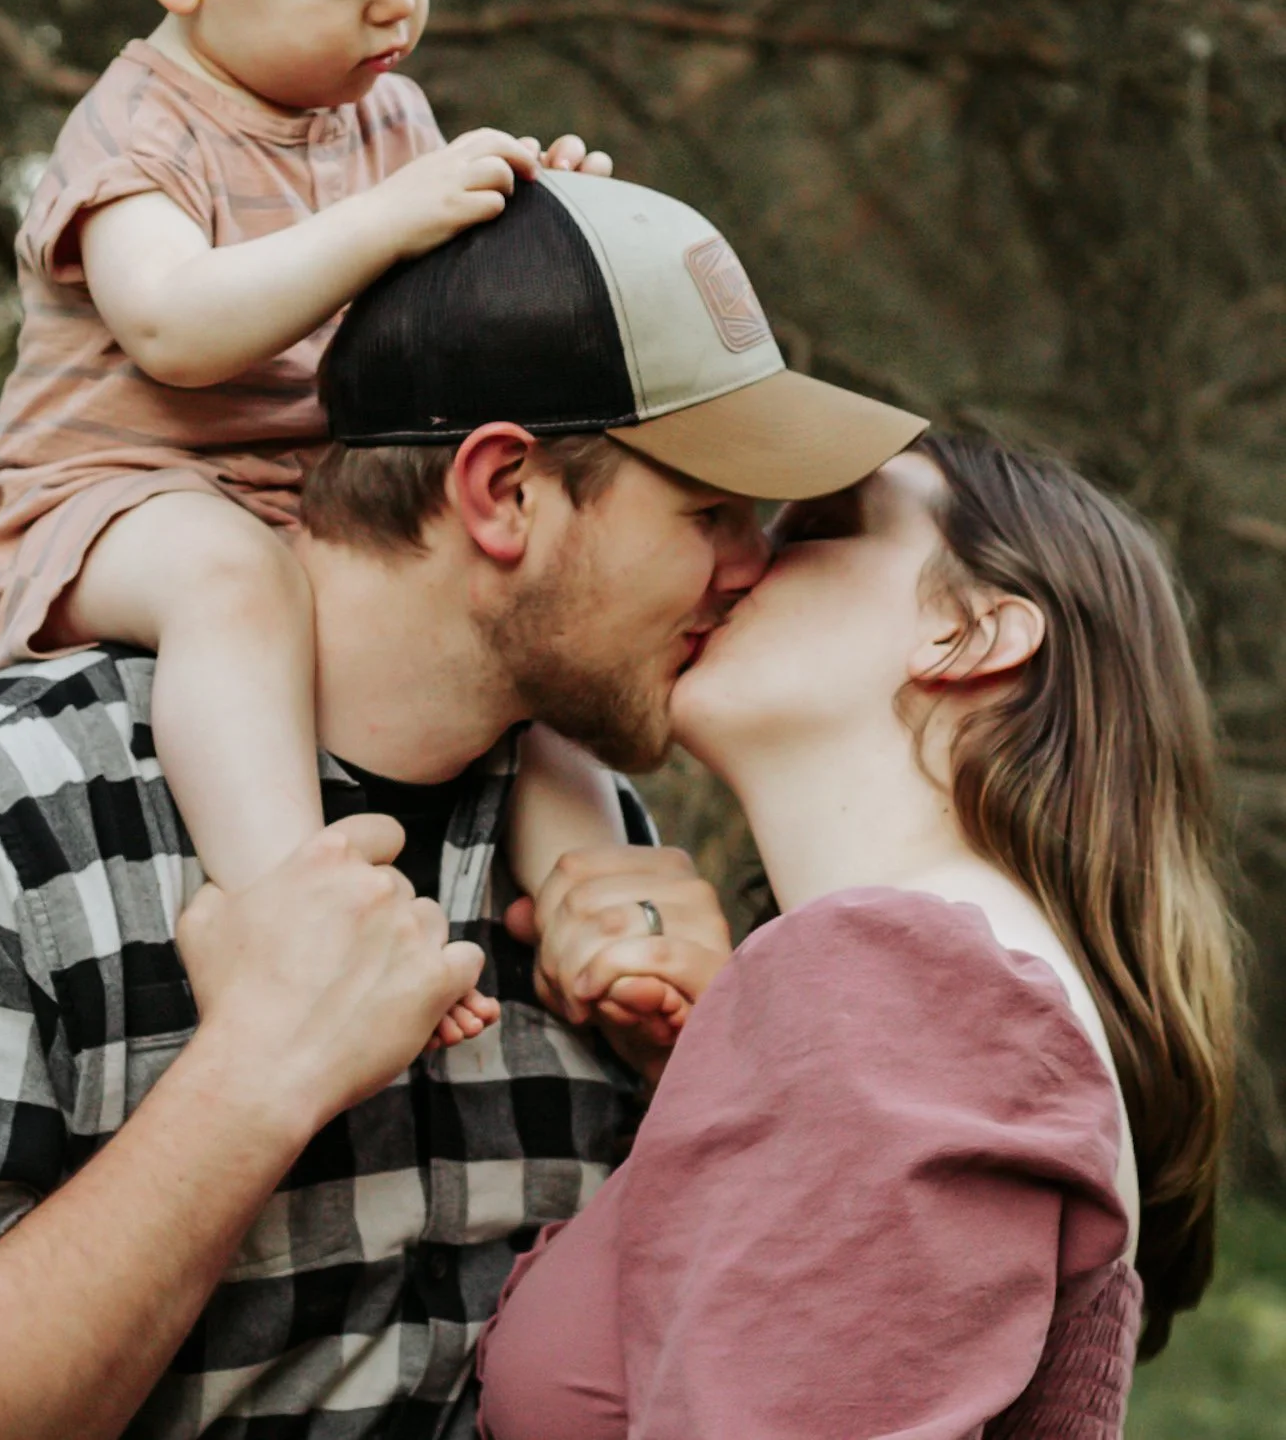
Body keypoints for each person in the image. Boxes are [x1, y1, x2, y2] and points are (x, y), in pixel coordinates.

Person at [0, 169, 924, 1438]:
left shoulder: (595, 839)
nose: (751, 568)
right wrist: (253, 1078)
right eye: (709, 509)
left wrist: (707, 1082)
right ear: (502, 490)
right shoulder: (0, 805)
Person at [0, 0, 627, 1033]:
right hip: (103, 506)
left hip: (306, 510)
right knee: (233, 580)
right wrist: (390, 217)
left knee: (516, 618)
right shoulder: (141, 131)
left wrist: (536, 211)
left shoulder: (384, 118)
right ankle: (290, 914)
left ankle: (606, 914)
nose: (398, 6)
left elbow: (436, 314)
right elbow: (176, 326)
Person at [477, 432, 1241, 1440]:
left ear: (970, 632)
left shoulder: (912, 992)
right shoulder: (932, 998)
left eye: (821, 528)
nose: (738, 559)